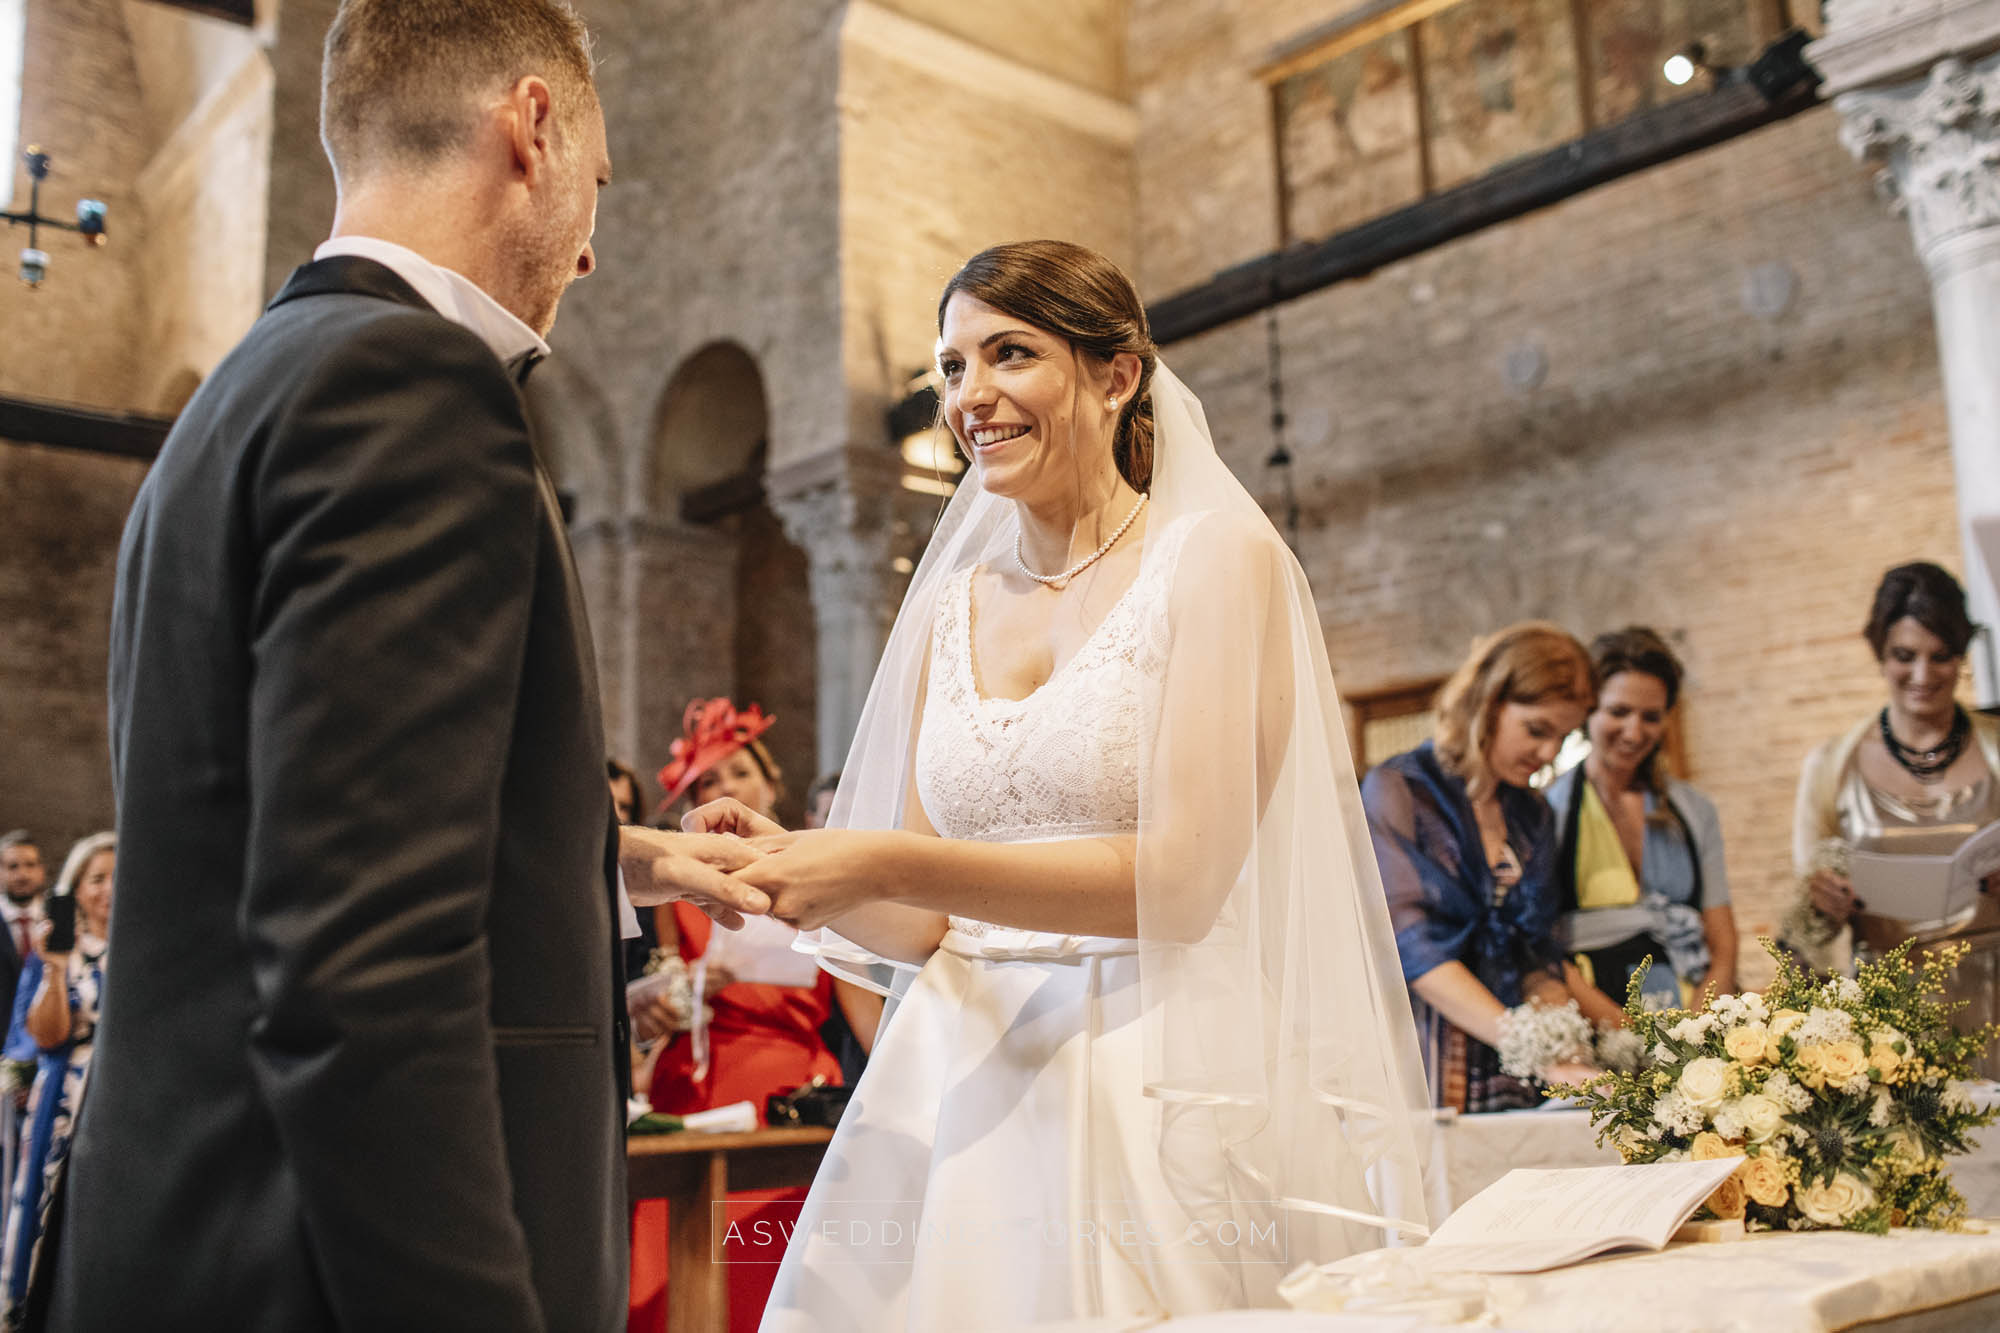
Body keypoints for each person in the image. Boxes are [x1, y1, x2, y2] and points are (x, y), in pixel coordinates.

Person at [31, 5, 766, 1329]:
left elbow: (279, 828)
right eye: (599, 183)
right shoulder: (413, 383)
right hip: (319, 1268)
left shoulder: (241, 395)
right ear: (532, 127)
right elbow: (364, 977)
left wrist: (600, 855)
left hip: (195, 1235)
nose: (591, 248)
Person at [691, 240, 1432, 1326]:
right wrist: (789, 868)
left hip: (1155, 1064)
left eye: (1010, 354)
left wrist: (882, 858)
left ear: (1116, 374)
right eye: (951, 367)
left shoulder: (1215, 559)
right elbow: (918, 923)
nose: (969, 396)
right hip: (956, 1077)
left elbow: (1180, 885)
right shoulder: (948, 608)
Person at [630, 701, 867, 1333]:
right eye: (708, 781)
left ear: (771, 783)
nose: (725, 789)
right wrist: (674, 996)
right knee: (676, 1276)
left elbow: (864, 1018)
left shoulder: (817, 881)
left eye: (739, 773)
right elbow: (663, 994)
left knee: (771, 1271)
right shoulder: (674, 889)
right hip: (696, 1087)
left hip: (788, 1092)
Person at [1362, 622, 1619, 1113]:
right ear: (1486, 703)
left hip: (1513, 1058)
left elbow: (1537, 952)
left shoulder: (1532, 813)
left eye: (1563, 737)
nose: (1549, 753)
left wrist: (1570, 1050)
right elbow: (1413, 947)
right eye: (1537, 730)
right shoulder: (1399, 791)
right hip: (1424, 1044)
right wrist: (1537, 1051)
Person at [1783, 562, 2000, 1073]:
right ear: (1880, 651)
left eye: (1940, 656)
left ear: (1961, 654)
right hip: (1891, 1018)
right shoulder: (1832, 765)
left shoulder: (1996, 749)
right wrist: (1822, 901)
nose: (1922, 676)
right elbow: (1804, 925)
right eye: (1905, 656)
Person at [1544, 628, 1736, 1009]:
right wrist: (1624, 1030)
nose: (1634, 733)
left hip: (1693, 1018)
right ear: (1587, 709)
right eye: (1618, 712)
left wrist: (1698, 1028)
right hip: (1596, 1021)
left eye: (1651, 717)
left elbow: (1723, 943)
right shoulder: (1549, 812)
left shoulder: (1695, 810)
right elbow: (1543, 952)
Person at [0, 832, 111, 1316]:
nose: (110, 888)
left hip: (129, 1093)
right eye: (97, 878)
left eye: (119, 877)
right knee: (52, 1199)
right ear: (76, 888)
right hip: (69, 1093)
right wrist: (54, 968)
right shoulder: (59, 952)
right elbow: (45, 1036)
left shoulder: (147, 949)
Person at [0, 833, 43, 1221]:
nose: (22, 874)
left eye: (30, 865)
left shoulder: (59, 922)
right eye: (12, 866)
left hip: (47, 1066)